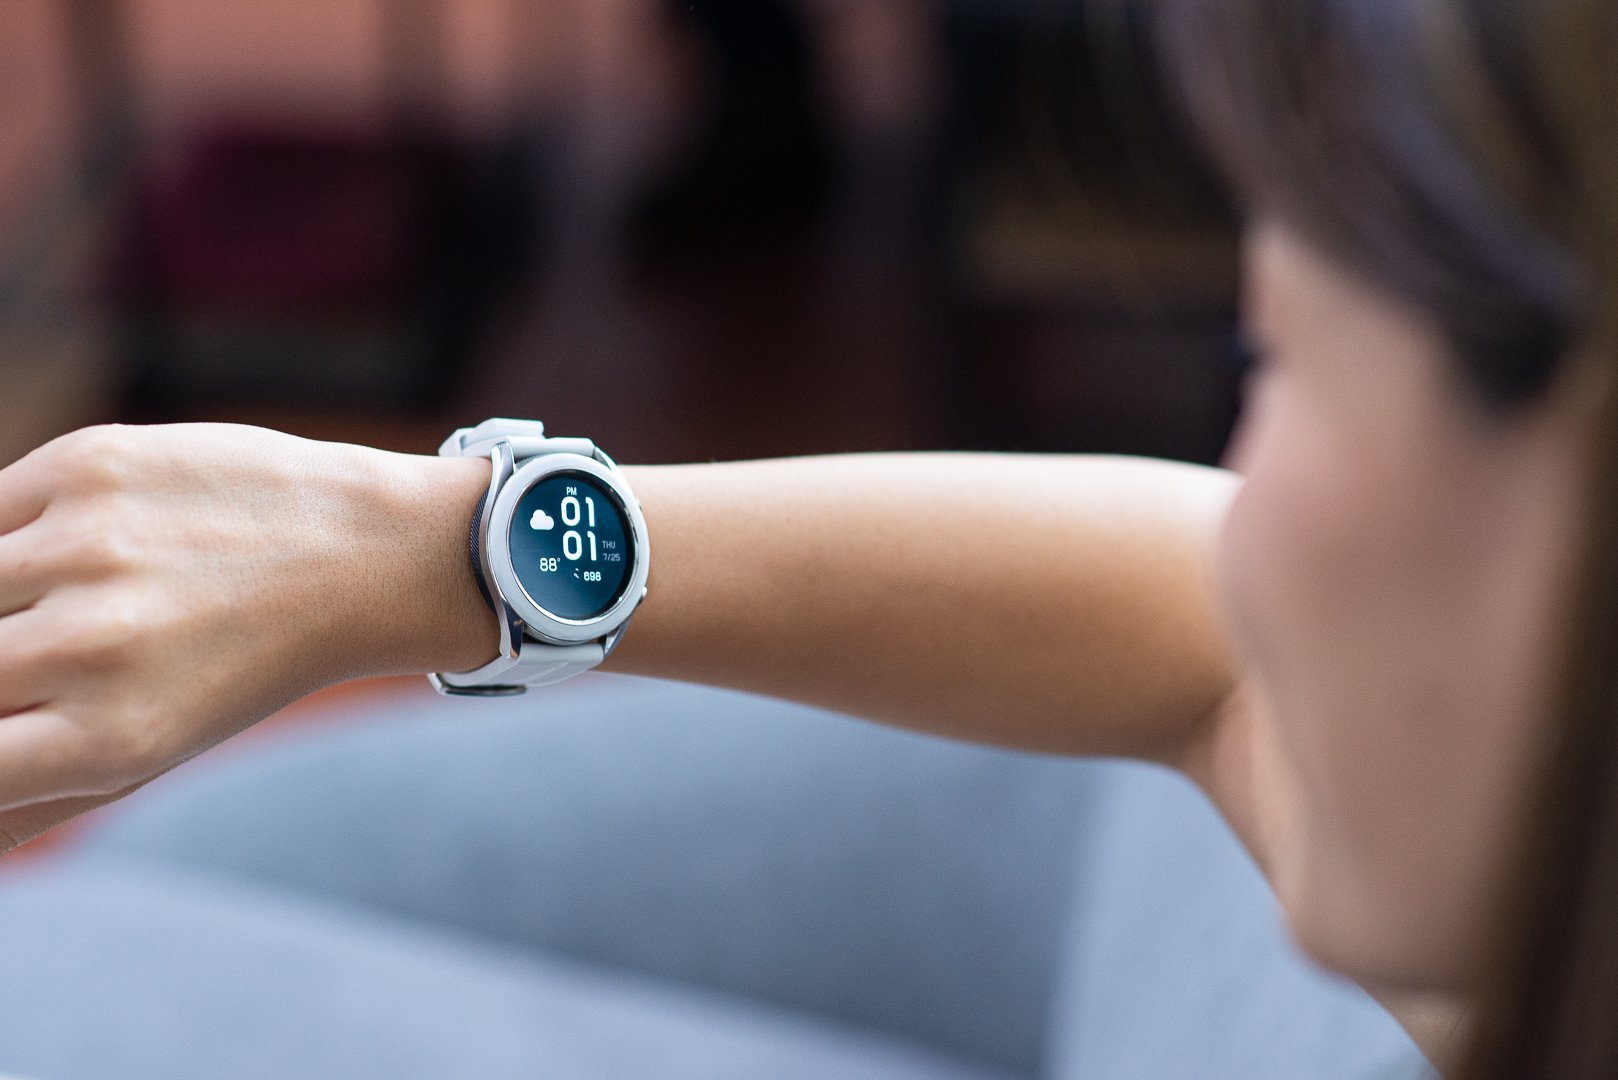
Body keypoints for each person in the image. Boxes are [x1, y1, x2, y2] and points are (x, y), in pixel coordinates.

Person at [0, 0, 1611, 1075]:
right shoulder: (1487, 827)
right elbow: (1205, 650)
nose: (1238, 524)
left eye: (1282, 368)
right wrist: (420, 549)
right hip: (1131, 826)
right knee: (171, 859)